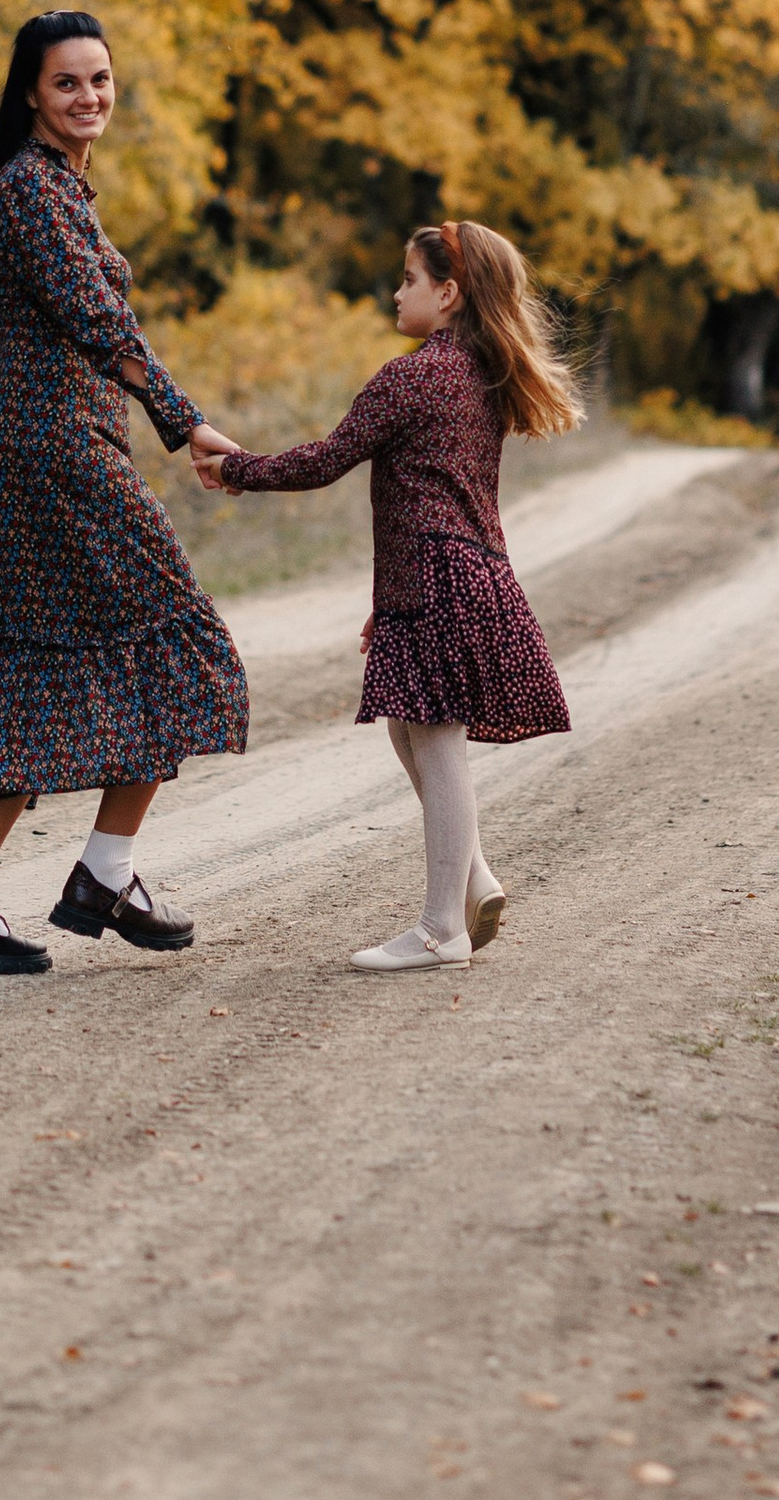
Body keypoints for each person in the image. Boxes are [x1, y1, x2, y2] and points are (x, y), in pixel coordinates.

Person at [0, 10, 248, 977]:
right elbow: (97, 323)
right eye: (67, 83)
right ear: (31, 95)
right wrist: (184, 421)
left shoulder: (33, 188)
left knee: (35, 666)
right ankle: (102, 873)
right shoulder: (33, 194)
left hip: (21, 463)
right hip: (59, 459)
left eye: (100, 79)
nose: (89, 97)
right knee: (177, 644)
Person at [200, 217, 577, 970]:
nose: (397, 293)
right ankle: (473, 881)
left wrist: (235, 468)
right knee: (411, 729)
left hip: (439, 575)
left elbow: (325, 460)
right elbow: (449, 494)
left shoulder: (414, 376)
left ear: (448, 293)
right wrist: (394, 594)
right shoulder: (480, 378)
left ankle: (442, 931)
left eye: (409, 279)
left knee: (435, 740)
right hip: (462, 570)